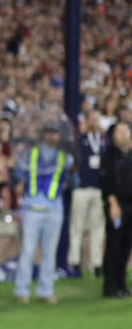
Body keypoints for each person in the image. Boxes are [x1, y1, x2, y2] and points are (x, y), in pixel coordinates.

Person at [12, 122, 76, 304]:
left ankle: (46, 290)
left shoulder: (66, 157)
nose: (51, 136)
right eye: (48, 132)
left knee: (49, 252)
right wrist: (18, 182)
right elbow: (17, 173)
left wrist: (70, 179)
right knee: (28, 250)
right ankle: (21, 290)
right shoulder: (29, 153)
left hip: (55, 208)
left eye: (54, 133)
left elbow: (73, 182)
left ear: (58, 136)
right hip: (32, 208)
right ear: (43, 134)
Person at [70, 112, 106, 278]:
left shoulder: (105, 139)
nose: (94, 122)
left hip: (99, 187)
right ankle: (74, 261)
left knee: (97, 227)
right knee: (77, 225)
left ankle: (96, 264)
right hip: (82, 187)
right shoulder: (80, 139)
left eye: (96, 119)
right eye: (92, 119)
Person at [98, 122, 132, 298]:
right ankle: (110, 286)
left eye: (126, 130)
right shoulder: (109, 156)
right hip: (116, 205)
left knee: (126, 246)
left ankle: (121, 283)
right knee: (114, 245)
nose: (123, 134)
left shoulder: (130, 155)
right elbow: (106, 182)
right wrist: (113, 203)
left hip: (130, 204)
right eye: (119, 131)